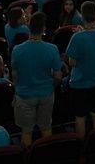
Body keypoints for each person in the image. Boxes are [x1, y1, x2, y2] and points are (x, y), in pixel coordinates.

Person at [11, 11, 62, 147]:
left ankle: (28, 155)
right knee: (46, 128)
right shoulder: (52, 49)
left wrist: (18, 88)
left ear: (29, 27)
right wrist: (51, 86)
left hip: (25, 95)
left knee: (27, 131)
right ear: (43, 28)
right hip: (46, 93)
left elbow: (14, 75)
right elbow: (58, 76)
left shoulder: (17, 50)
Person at [65, 1, 95, 137]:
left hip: (80, 84)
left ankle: (82, 144)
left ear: (82, 17)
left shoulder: (77, 37)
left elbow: (72, 62)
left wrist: (81, 34)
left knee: (80, 117)